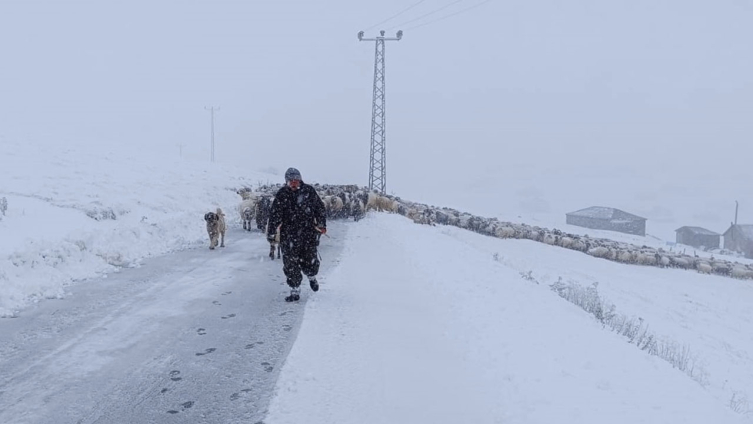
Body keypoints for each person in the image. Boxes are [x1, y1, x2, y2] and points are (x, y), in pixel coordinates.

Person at [266, 167, 327, 302]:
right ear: (286, 181)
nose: (294, 183)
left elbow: (320, 208)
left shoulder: (309, 191)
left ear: (300, 180)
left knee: (309, 259)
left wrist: (321, 224)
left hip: (308, 233)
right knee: (290, 262)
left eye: (296, 180)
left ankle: (311, 276)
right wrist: (271, 231)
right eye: (291, 181)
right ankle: (295, 289)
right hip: (289, 234)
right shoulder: (282, 194)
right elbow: (275, 214)